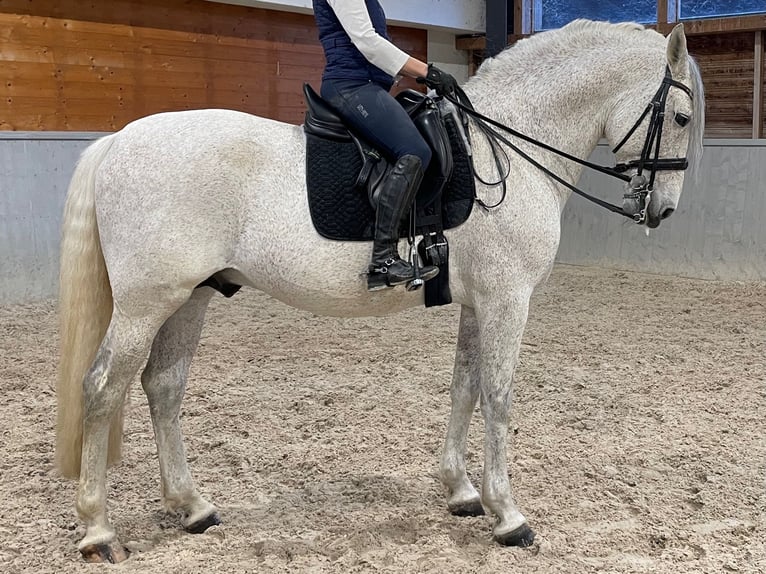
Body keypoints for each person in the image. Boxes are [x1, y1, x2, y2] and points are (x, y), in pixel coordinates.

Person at [312, 0, 459, 291]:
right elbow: (367, 40)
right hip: (351, 85)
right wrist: (426, 72)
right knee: (414, 150)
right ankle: (384, 259)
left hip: (368, 85)